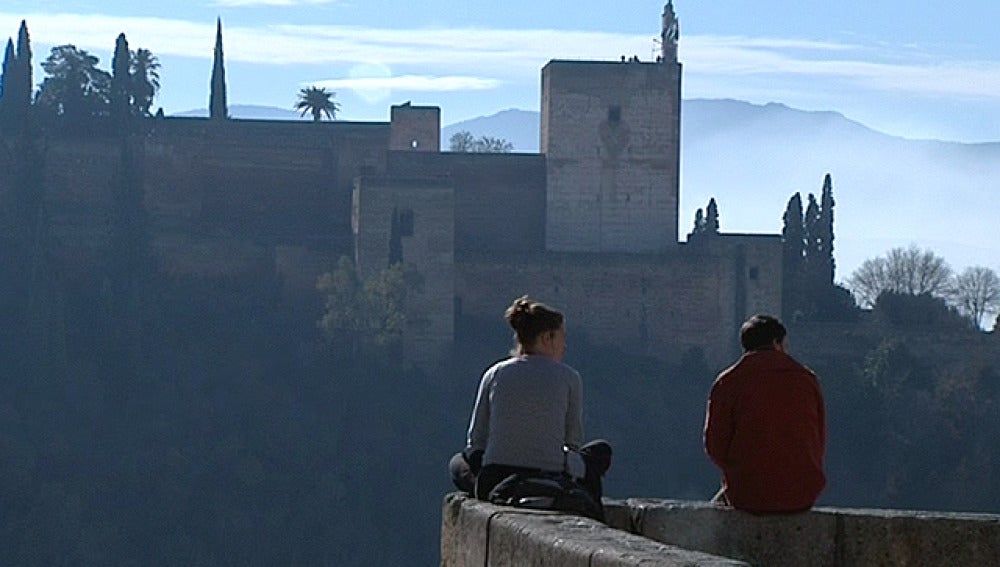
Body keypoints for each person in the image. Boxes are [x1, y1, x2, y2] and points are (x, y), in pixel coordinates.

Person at [449, 295, 611, 503]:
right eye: (562, 337)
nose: (565, 345)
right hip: (549, 474)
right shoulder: (569, 377)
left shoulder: (495, 373)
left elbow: (476, 439)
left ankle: (498, 490)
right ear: (547, 338)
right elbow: (573, 442)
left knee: (456, 463)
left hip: (496, 476)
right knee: (600, 451)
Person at [703, 314, 826, 513]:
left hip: (748, 496)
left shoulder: (728, 382)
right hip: (801, 495)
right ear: (776, 343)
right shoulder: (806, 380)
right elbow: (819, 437)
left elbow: (715, 445)